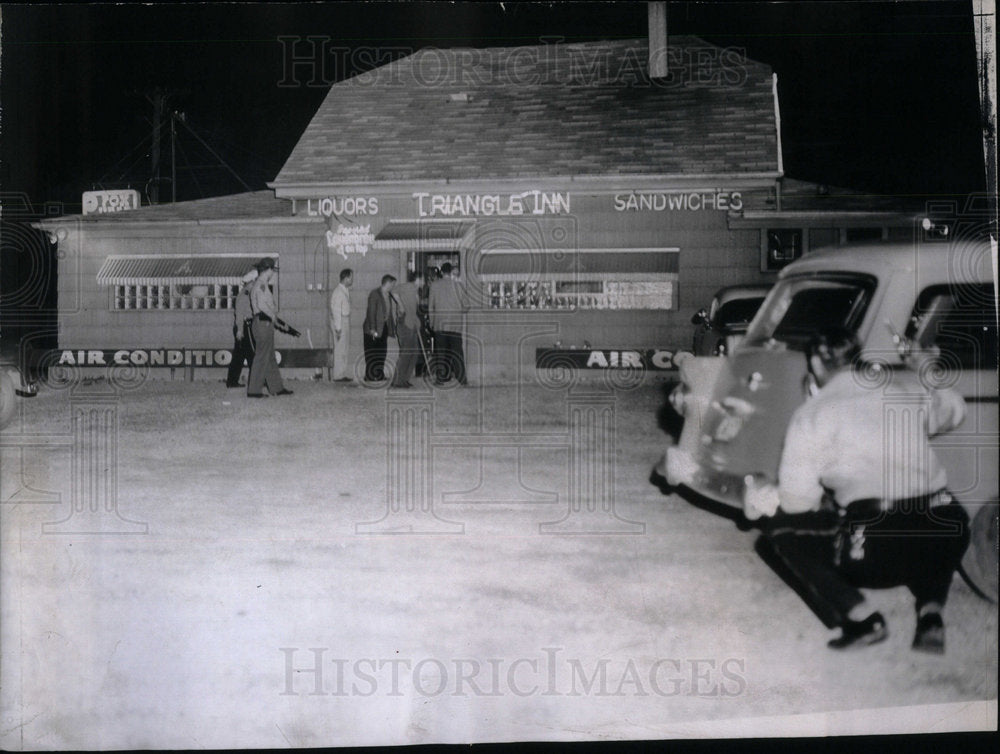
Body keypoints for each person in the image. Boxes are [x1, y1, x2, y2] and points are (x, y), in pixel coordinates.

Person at [743, 327, 969, 653]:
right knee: (928, 523)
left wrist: (764, 492)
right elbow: (955, 411)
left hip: (876, 553)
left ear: (817, 363)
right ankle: (931, 613)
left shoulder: (813, 414)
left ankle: (864, 620)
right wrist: (924, 367)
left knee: (781, 530)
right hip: (949, 529)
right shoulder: (899, 390)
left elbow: (796, 504)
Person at [247, 257, 293, 397]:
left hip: (264, 323)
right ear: (267, 270)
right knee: (262, 356)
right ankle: (254, 390)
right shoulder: (261, 285)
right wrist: (273, 317)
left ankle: (276, 388)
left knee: (270, 356)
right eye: (272, 270)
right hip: (263, 323)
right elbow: (262, 306)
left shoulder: (260, 284)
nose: (273, 273)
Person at [427, 262, 468, 386]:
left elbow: (430, 307)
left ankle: (442, 377)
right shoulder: (459, 286)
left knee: (441, 352)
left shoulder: (434, 286)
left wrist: (432, 323)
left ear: (441, 272)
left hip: (440, 325)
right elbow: (467, 306)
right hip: (455, 326)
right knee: (457, 352)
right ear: (451, 272)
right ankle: (462, 379)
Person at [362, 274, 398, 383]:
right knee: (372, 352)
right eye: (393, 284)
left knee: (381, 352)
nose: (393, 286)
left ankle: (379, 374)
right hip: (373, 329)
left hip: (383, 328)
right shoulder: (375, 294)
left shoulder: (388, 295)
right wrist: (373, 329)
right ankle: (369, 375)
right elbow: (371, 312)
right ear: (388, 283)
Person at [391, 270, 424, 388]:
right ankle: (397, 381)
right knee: (406, 353)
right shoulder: (408, 286)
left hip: (411, 324)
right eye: (423, 279)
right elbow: (393, 291)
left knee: (414, 353)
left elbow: (413, 310)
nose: (424, 282)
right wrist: (400, 304)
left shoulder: (415, 291)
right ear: (418, 279)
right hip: (405, 324)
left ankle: (404, 379)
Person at [225, 268, 257, 388]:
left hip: (245, 327)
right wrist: (240, 329)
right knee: (252, 354)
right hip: (244, 327)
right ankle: (256, 381)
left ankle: (232, 381)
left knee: (239, 356)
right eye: (255, 281)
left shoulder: (248, 294)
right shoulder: (245, 295)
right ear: (251, 282)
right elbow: (239, 314)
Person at [329, 268, 354, 383]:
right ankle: (338, 375)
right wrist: (338, 328)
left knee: (344, 348)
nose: (352, 279)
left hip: (345, 320)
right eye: (351, 277)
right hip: (340, 321)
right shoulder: (338, 292)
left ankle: (342, 373)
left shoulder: (344, 290)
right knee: (340, 348)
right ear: (346, 278)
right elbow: (336, 311)